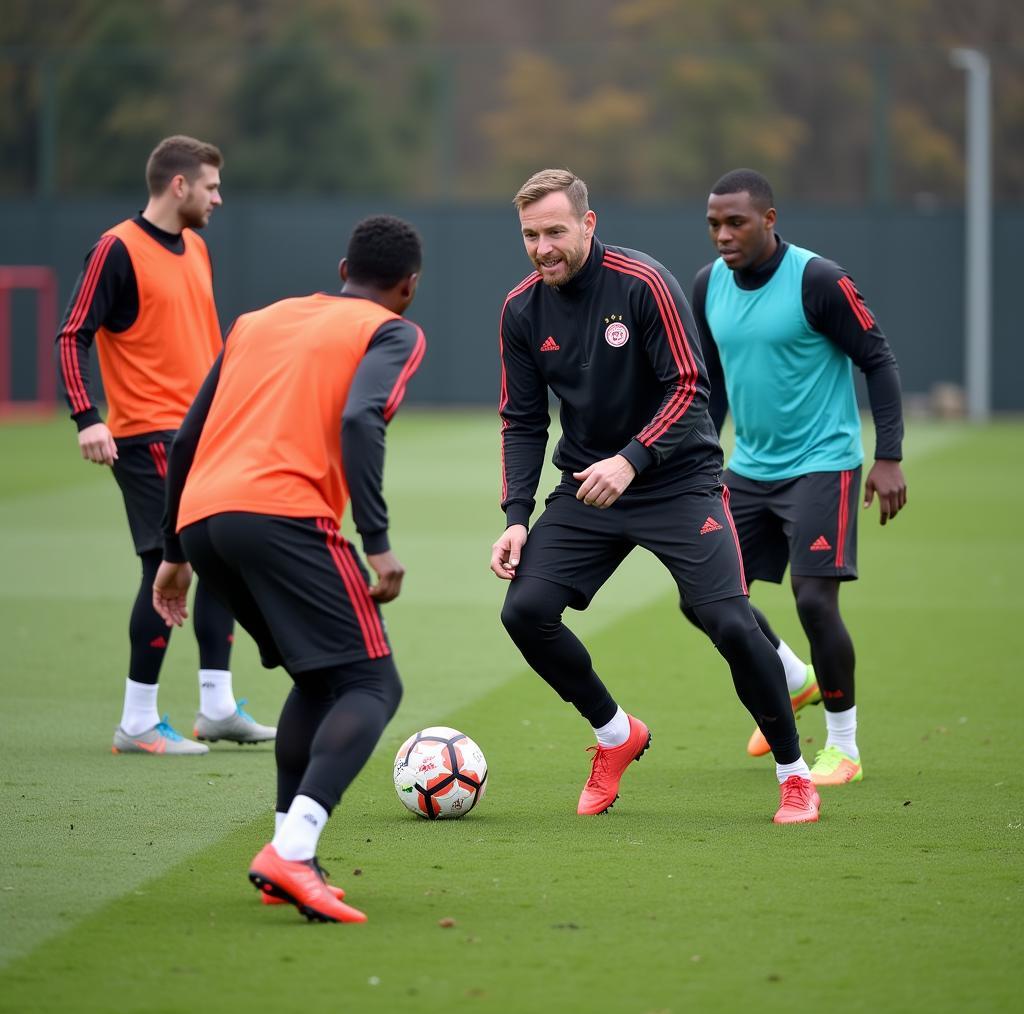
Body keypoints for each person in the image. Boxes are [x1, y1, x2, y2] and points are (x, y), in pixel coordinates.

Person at [491, 168, 820, 825]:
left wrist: (631, 459)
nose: (542, 247)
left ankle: (795, 774)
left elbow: (688, 387)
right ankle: (616, 735)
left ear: (588, 224)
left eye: (555, 231)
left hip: (677, 478)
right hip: (588, 484)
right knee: (524, 612)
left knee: (727, 619)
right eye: (531, 235)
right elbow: (523, 421)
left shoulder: (642, 283)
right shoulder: (521, 310)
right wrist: (517, 518)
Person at [152, 214, 427, 923]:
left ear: (341, 269)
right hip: (283, 517)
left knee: (318, 678)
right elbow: (363, 419)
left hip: (205, 521)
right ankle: (293, 848)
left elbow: (186, 438)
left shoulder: (256, 321)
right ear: (408, 288)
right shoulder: (392, 329)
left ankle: (289, 854)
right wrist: (379, 541)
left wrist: (174, 554)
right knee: (371, 681)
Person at [55, 134, 275, 755]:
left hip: (203, 434)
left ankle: (217, 708)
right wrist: (85, 416)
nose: (218, 197)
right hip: (147, 435)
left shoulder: (197, 247)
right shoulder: (116, 248)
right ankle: (138, 720)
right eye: (211, 186)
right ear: (179, 185)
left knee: (221, 557)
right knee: (166, 566)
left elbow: (206, 347)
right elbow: (73, 335)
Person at [690, 168, 908, 786]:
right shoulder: (708, 285)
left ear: (769, 219)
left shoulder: (819, 279)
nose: (724, 235)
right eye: (714, 224)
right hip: (748, 470)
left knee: (813, 599)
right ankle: (791, 678)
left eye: (736, 222)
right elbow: (714, 385)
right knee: (701, 596)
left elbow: (878, 360)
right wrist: (698, 460)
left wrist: (888, 455)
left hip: (823, 463)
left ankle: (843, 746)